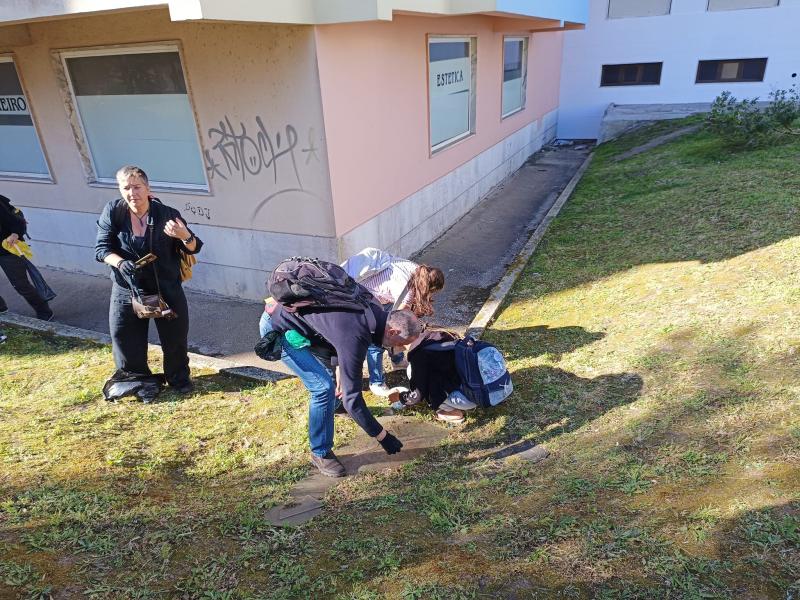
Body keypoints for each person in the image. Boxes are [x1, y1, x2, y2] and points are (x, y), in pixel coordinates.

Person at [261, 299, 423, 477]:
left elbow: (333, 328)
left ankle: (335, 406)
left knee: (334, 384)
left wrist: (339, 364)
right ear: (392, 331)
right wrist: (382, 436)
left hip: (300, 320)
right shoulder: (356, 336)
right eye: (401, 343)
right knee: (323, 389)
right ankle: (320, 453)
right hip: (280, 329)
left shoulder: (374, 311)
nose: (399, 349)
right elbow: (352, 399)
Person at [95, 165, 202, 397]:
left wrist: (184, 236)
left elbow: (194, 247)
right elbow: (101, 249)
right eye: (126, 188)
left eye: (137, 187)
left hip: (165, 288)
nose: (132, 193)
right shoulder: (114, 211)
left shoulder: (166, 214)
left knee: (174, 339)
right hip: (128, 289)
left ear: (147, 187)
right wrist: (120, 263)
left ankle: (178, 379)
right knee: (125, 338)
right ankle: (137, 379)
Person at [341, 248, 445, 396]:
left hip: (382, 296)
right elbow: (400, 320)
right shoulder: (406, 289)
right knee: (378, 341)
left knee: (396, 333)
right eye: (432, 291)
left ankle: (397, 360)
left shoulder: (418, 271)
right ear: (427, 286)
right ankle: (376, 382)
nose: (431, 295)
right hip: (363, 297)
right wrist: (412, 337)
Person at [0, 194, 54, 321]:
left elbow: (16, 222)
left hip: (8, 249)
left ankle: (44, 311)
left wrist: (15, 234)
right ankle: (1, 309)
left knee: (21, 284)